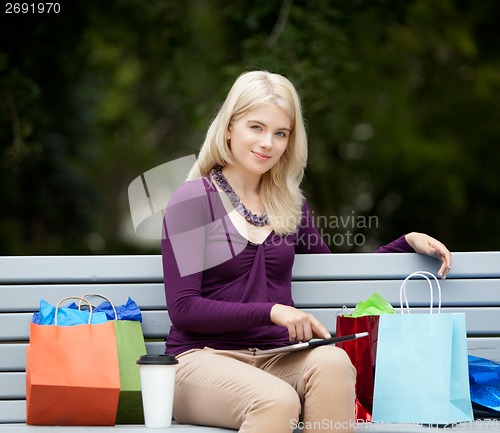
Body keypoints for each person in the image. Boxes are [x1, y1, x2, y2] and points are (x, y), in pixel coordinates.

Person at [161, 70, 452, 433]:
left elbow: (335, 278)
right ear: (229, 127)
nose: (267, 143)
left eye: (280, 133)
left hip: (275, 358)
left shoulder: (289, 206)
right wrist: (272, 312)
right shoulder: (193, 201)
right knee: (277, 400)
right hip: (200, 361)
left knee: (333, 363)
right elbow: (185, 309)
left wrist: (404, 243)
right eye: (256, 127)